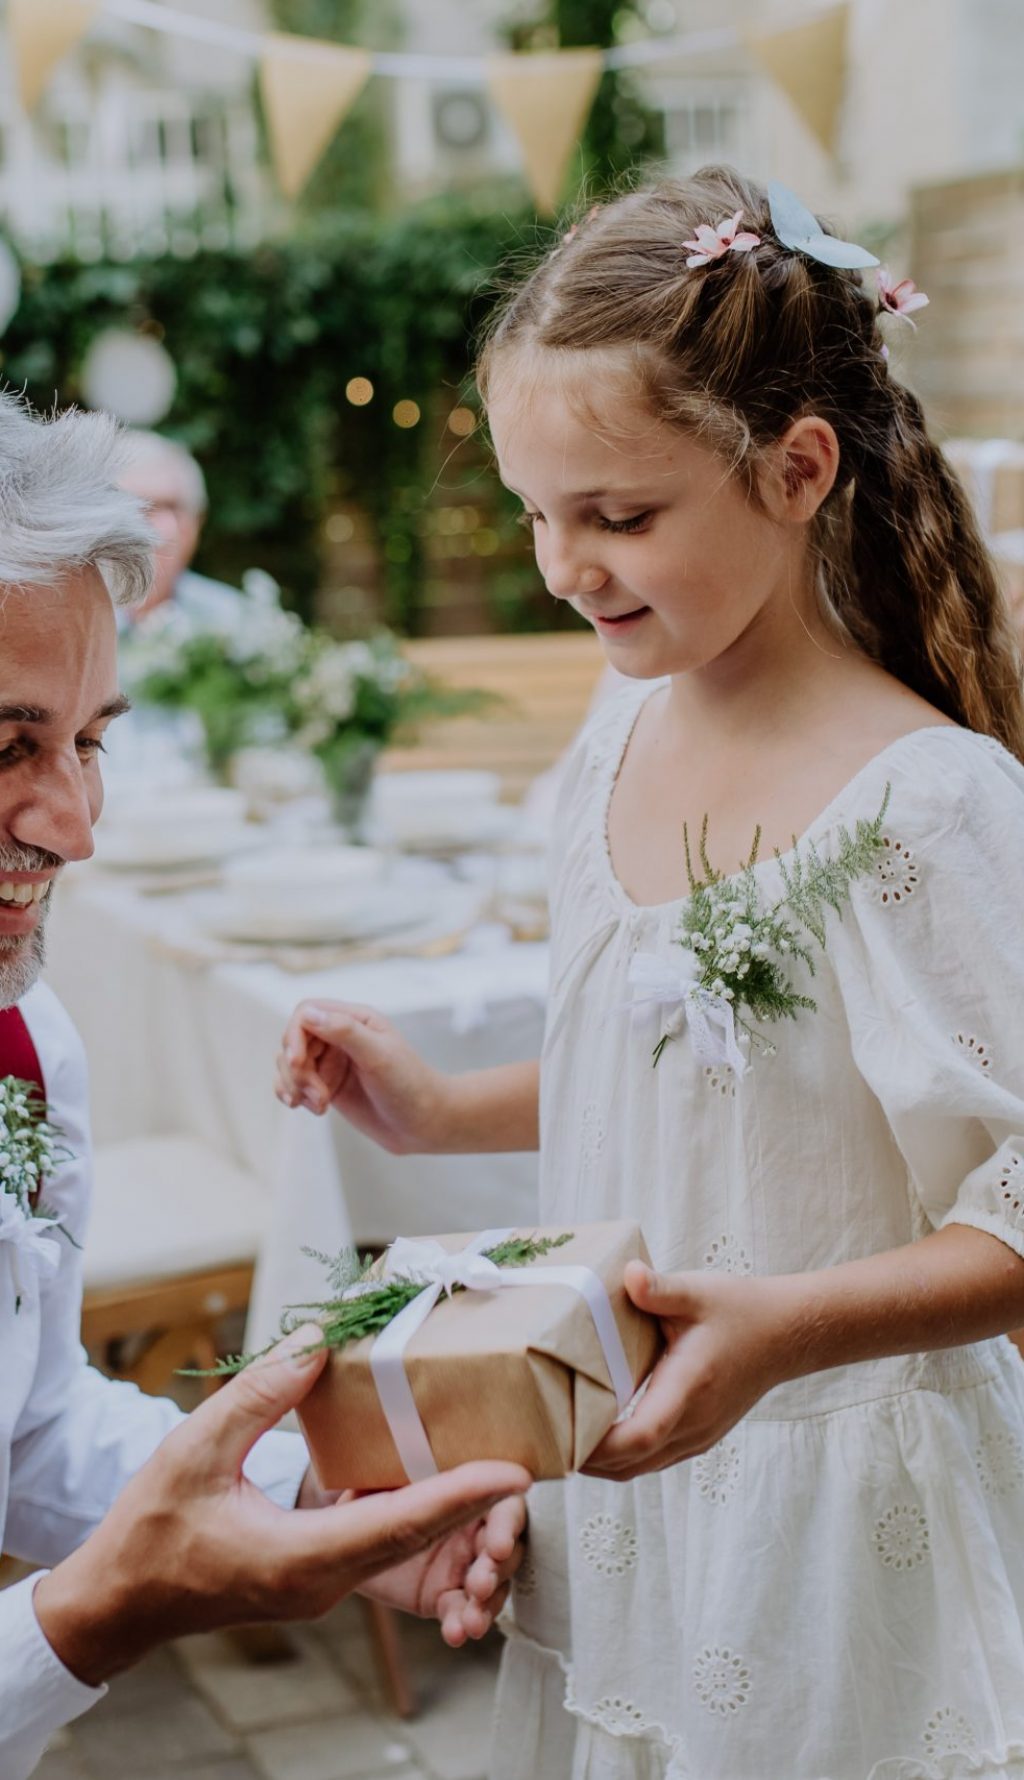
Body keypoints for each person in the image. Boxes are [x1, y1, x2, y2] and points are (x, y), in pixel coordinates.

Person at [275, 166, 1024, 1779]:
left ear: (793, 470)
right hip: (638, 1523)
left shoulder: (923, 808)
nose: (560, 565)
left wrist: (777, 1333)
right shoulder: (613, 735)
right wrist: (434, 1110)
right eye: (535, 512)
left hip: (836, 1540)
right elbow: (682, 1074)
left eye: (615, 516)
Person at [0, 392, 529, 1780]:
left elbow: (32, 1419)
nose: (75, 827)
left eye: (89, 739)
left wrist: (313, 1508)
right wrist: (93, 1614)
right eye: (8, 747)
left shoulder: (27, 1045)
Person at [117, 429, 241, 628]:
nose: (163, 528)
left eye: (172, 508)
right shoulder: (71, 620)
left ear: (197, 522)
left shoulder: (233, 618)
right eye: (139, 508)